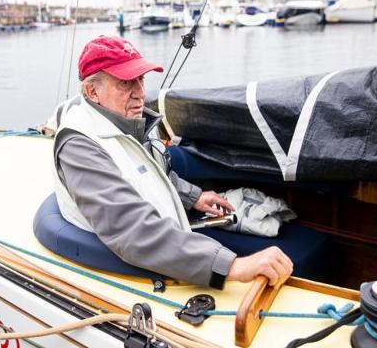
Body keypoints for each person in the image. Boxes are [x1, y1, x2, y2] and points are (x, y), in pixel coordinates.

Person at [52, 36, 293, 289]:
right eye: (125, 82)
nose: (141, 93)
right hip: (136, 276)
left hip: (169, 252)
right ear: (93, 92)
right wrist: (233, 267)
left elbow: (150, 171)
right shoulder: (79, 145)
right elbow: (131, 229)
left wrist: (193, 196)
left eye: (141, 79)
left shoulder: (129, 122)